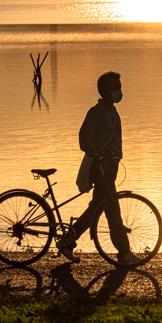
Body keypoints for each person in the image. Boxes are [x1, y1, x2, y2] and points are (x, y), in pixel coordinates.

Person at [56, 71, 133, 264]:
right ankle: (124, 253)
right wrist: (97, 155)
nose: (119, 91)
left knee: (100, 207)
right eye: (116, 88)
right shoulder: (96, 113)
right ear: (105, 92)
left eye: (120, 87)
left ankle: (68, 241)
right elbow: (84, 137)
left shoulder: (112, 111)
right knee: (111, 207)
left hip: (110, 168)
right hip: (99, 168)